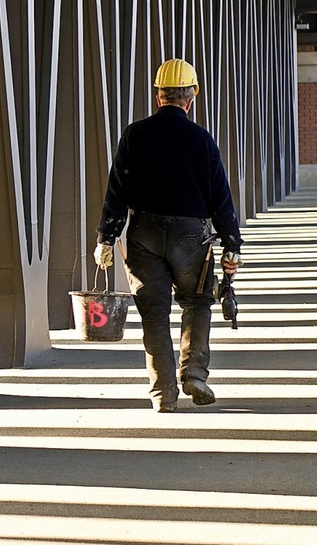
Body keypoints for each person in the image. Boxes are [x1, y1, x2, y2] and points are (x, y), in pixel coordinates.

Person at [94, 59, 243, 412]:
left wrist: (106, 237)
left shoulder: (135, 135)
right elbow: (221, 195)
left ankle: (162, 393)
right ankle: (193, 372)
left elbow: (117, 190)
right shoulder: (202, 140)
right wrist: (231, 244)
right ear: (191, 98)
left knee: (154, 313)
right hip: (190, 237)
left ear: (159, 95)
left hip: (144, 233)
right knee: (196, 302)